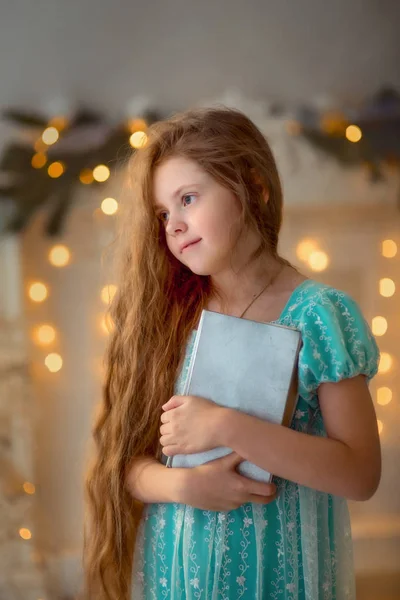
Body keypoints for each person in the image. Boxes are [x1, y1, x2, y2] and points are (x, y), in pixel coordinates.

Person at [84, 107, 381, 600]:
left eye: (189, 198)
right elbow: (125, 467)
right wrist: (184, 487)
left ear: (253, 188)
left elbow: (360, 475)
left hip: (281, 577)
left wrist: (224, 425)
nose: (173, 226)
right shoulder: (170, 317)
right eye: (163, 214)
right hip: (178, 578)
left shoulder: (319, 315)